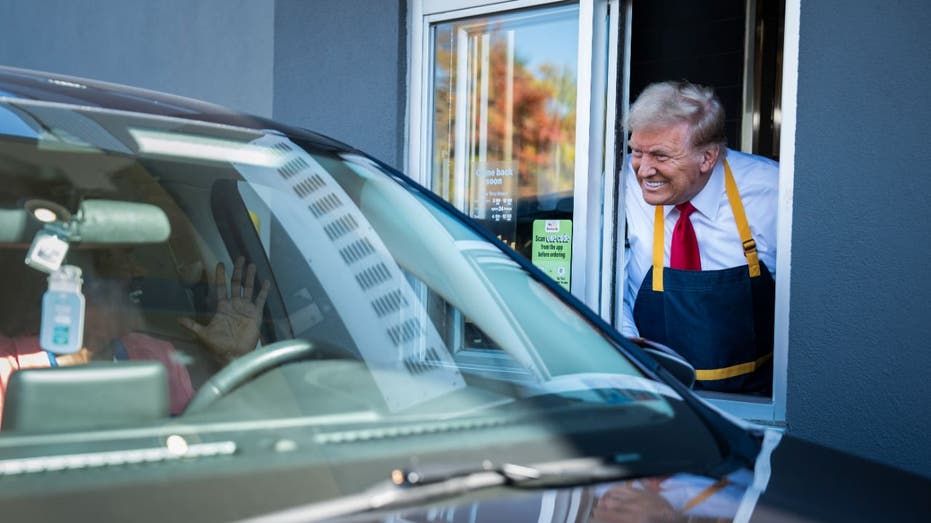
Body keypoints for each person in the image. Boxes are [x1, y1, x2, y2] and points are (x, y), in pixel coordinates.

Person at [621, 80, 778, 394]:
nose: (644, 170)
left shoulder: (772, 191)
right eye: (637, 151)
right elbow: (607, 274)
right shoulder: (620, 182)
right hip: (655, 391)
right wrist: (625, 340)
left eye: (661, 156)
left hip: (751, 400)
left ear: (707, 157)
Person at [0, 254, 269, 423]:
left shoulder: (155, 354)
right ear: (56, 292)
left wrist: (233, 360)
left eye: (128, 280)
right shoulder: (8, 365)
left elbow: (227, 429)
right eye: (107, 278)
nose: (131, 281)